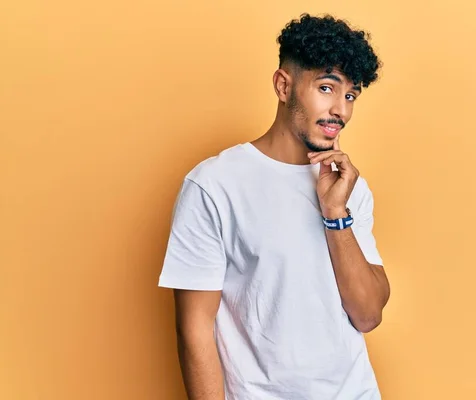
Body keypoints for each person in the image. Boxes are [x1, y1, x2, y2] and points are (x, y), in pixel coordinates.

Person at [158, 13, 391, 400]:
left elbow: (368, 315)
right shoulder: (214, 185)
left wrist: (336, 215)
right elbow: (194, 330)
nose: (342, 111)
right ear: (284, 86)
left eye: (350, 95)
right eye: (327, 88)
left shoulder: (349, 187)